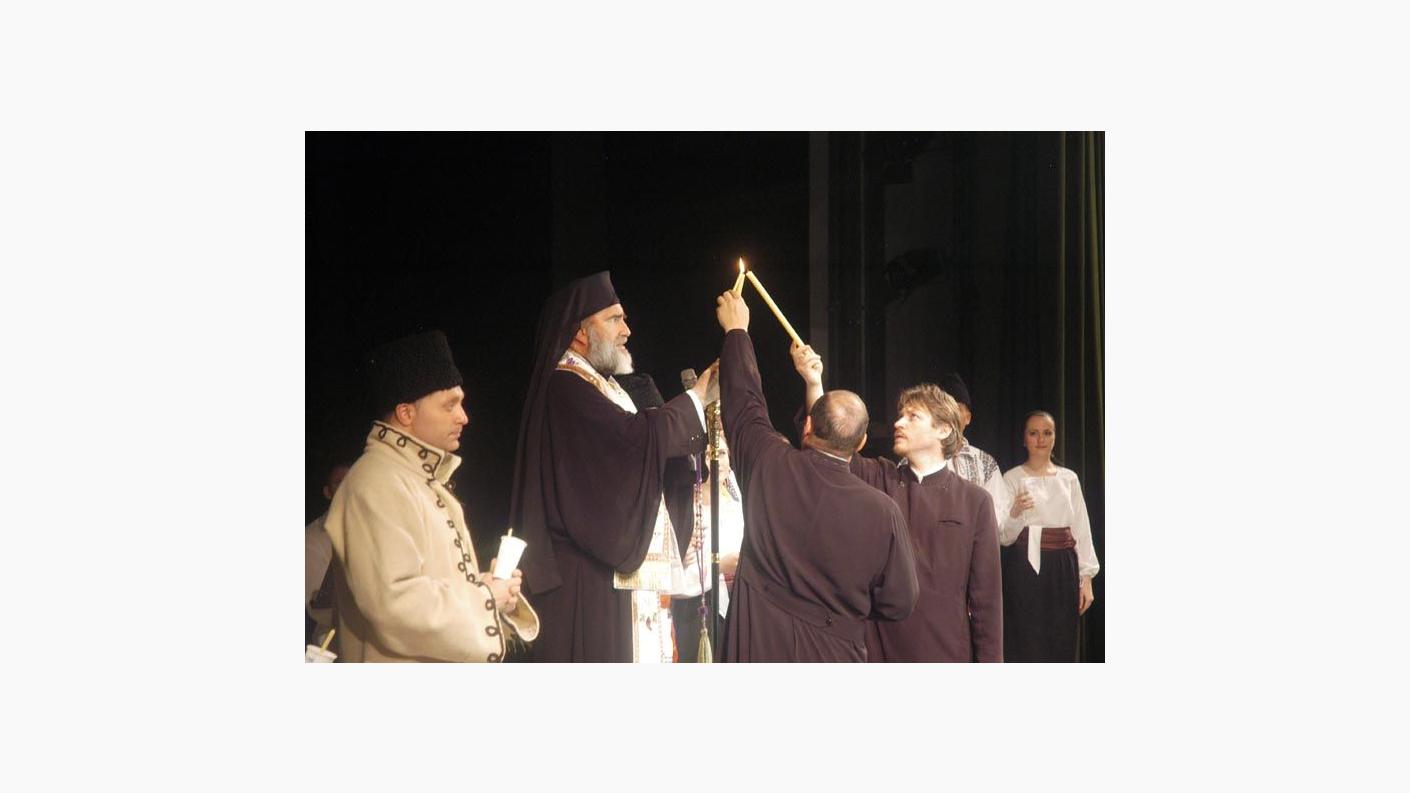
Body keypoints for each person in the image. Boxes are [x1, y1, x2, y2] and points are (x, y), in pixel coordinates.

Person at [510, 272, 716, 662]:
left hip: (612, 583)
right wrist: (695, 399)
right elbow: (631, 443)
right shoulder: (566, 387)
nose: (627, 331)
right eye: (614, 319)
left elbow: (639, 444)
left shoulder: (604, 386)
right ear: (579, 332)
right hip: (587, 586)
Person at [715, 291, 918, 662]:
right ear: (861, 443)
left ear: (807, 426)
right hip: (834, 652)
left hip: (760, 641)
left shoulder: (769, 464)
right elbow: (899, 602)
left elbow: (743, 404)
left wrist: (737, 331)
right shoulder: (883, 511)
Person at [324, 330, 538, 662]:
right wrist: (485, 598)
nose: (463, 417)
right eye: (450, 405)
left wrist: (490, 589)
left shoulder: (418, 478)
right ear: (406, 414)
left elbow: (436, 584)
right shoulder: (376, 481)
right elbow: (394, 604)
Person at [791, 345, 1002, 662]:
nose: (898, 422)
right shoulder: (879, 478)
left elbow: (987, 602)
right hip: (879, 652)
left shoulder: (975, 501)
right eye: (901, 415)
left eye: (913, 416)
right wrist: (813, 382)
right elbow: (829, 445)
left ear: (944, 428)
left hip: (946, 654)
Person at [999, 410, 1100, 662]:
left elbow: (1081, 528)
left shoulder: (1069, 479)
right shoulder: (1011, 478)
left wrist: (1086, 578)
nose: (1041, 439)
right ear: (1024, 439)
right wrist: (1015, 512)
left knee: (1060, 638)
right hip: (1024, 567)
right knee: (1024, 638)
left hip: (1062, 568)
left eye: (1047, 433)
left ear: (1055, 437)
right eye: (1033, 433)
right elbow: (1004, 537)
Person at [938, 372, 1011, 529]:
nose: (951, 415)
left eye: (957, 409)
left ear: (968, 417)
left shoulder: (985, 463)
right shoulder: (919, 458)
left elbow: (999, 512)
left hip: (975, 540)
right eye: (944, 409)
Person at [304, 461, 350, 646]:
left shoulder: (378, 527)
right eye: (339, 482)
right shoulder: (311, 540)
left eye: (353, 479)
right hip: (330, 642)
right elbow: (317, 609)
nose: (348, 487)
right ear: (328, 492)